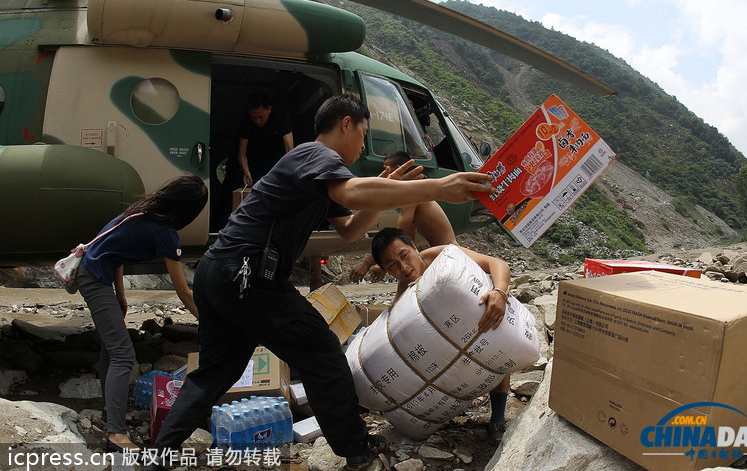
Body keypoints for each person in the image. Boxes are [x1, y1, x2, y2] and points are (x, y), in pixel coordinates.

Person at [145, 94, 493, 471]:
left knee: (215, 372)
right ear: (346, 124)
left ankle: (158, 454)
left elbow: (350, 229)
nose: (362, 146)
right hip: (248, 275)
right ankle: (355, 447)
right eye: (362, 134)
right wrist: (439, 188)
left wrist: (382, 191)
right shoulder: (316, 155)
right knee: (323, 352)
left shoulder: (318, 171)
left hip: (220, 273)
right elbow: (352, 191)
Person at [74, 174, 207, 453]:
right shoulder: (165, 233)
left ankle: (114, 414)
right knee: (123, 354)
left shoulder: (144, 212)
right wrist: (209, 322)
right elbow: (184, 294)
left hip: (98, 271)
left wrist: (121, 296)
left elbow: (115, 250)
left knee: (112, 348)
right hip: (94, 277)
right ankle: (116, 436)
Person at [370, 227, 513, 441]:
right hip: (452, 338)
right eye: (392, 265)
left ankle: (498, 419)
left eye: (404, 255)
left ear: (414, 247)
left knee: (497, 344)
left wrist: (500, 292)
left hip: (482, 315)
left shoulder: (444, 255)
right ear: (386, 271)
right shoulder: (404, 293)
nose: (404, 267)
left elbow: (497, 264)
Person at [349, 150, 456, 284]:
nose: (385, 175)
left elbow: (400, 237)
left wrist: (367, 263)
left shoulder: (412, 193)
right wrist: (385, 267)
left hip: (450, 258)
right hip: (444, 256)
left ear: (398, 169)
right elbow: (409, 240)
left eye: (386, 169)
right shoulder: (409, 194)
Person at [238, 92, 294, 187]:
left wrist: (287, 172)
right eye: (253, 118)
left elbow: (289, 149)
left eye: (261, 117)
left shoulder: (280, 116)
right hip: (256, 151)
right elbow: (241, 151)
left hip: (278, 151)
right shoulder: (246, 120)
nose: (257, 121)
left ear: (269, 109)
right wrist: (246, 170)